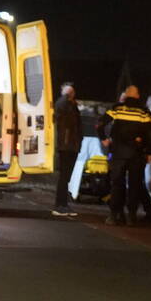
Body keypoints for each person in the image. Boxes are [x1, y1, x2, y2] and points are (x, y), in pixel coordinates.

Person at [98, 85, 151, 226]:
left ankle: (115, 215)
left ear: (127, 95)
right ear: (137, 96)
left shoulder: (117, 109)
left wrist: (104, 138)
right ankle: (131, 216)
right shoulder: (144, 112)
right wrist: (149, 152)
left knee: (117, 184)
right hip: (136, 154)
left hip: (117, 153)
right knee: (135, 185)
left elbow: (100, 123)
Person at [52, 82, 81, 217]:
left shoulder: (72, 105)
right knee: (64, 176)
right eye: (69, 93)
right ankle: (60, 205)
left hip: (71, 145)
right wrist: (66, 97)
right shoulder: (63, 104)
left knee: (66, 177)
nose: (71, 95)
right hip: (66, 145)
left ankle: (63, 204)